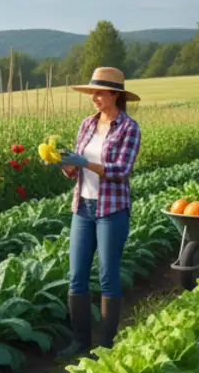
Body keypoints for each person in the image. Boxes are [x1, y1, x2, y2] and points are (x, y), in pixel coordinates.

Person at [52, 67, 142, 356]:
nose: (94, 97)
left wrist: (86, 162)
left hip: (111, 209)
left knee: (107, 275)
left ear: (115, 94)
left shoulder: (129, 128)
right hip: (83, 207)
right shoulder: (86, 124)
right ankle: (80, 341)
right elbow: (75, 172)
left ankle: (105, 346)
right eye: (92, 92)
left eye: (99, 92)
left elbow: (122, 170)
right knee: (76, 275)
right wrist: (67, 165)